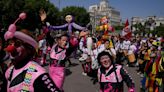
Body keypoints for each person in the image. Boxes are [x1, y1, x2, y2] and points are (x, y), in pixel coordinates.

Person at [4, 12, 61, 92]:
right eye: (10, 44)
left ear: (29, 48)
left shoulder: (37, 74)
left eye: (17, 44)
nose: (11, 48)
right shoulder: (9, 71)